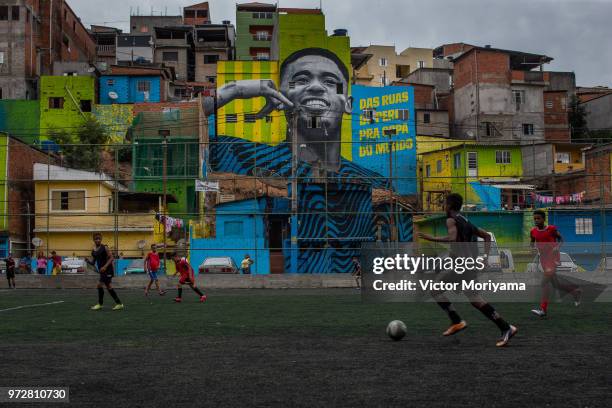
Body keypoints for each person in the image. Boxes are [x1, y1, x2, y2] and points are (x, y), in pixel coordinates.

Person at [208, 48, 391, 189]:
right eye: (300, 80)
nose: (316, 88)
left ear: (348, 104)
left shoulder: (374, 182)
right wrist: (232, 90)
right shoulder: (234, 153)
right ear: (279, 98)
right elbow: (181, 134)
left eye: (330, 82)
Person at [418, 193, 518, 347]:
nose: (444, 206)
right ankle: (506, 327)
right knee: (475, 300)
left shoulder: (451, 220)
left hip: (462, 266)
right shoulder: (466, 221)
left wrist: (430, 238)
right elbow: (486, 236)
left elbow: (452, 238)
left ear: (450, 206)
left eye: (445, 203)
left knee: (434, 288)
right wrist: (484, 257)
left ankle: (457, 321)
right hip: (469, 266)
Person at [530, 210, 581, 317]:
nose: (536, 220)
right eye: (534, 218)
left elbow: (561, 239)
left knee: (543, 283)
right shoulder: (533, 231)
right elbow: (532, 243)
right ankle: (575, 292)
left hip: (553, 259)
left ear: (544, 219)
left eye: (538, 218)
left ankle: (543, 310)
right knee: (556, 284)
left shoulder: (551, 229)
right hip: (543, 260)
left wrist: (557, 247)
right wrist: (532, 248)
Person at [89, 233, 124, 311]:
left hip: (107, 269)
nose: (97, 240)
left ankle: (100, 304)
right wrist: (87, 261)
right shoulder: (93, 251)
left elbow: (111, 257)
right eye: (96, 239)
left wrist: (105, 267)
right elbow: (93, 262)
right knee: (108, 286)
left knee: (99, 285)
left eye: (99, 238)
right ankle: (119, 303)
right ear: (93, 240)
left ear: (101, 239)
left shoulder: (105, 248)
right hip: (102, 271)